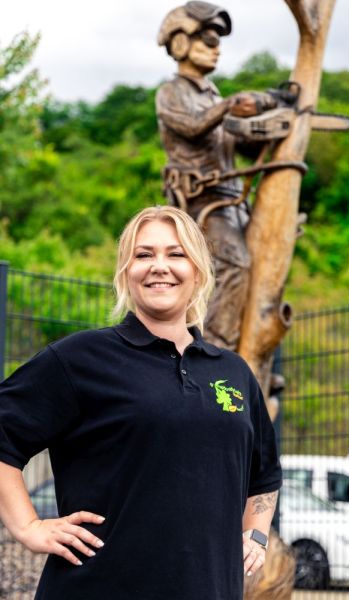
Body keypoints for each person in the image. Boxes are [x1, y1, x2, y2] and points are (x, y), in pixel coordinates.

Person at [0, 205, 282, 600]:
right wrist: (28, 527)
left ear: (198, 271)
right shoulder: (80, 359)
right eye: (143, 254)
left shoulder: (234, 373)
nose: (159, 266)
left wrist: (255, 535)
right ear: (126, 272)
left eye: (176, 254)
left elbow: (264, 474)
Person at [156, 1, 281, 351]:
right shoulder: (171, 92)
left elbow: (239, 146)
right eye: (209, 40)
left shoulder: (213, 96)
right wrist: (230, 106)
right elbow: (192, 126)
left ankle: (252, 355)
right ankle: (214, 352)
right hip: (201, 203)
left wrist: (268, 124)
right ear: (181, 42)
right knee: (234, 265)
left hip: (233, 202)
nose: (217, 49)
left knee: (262, 267)